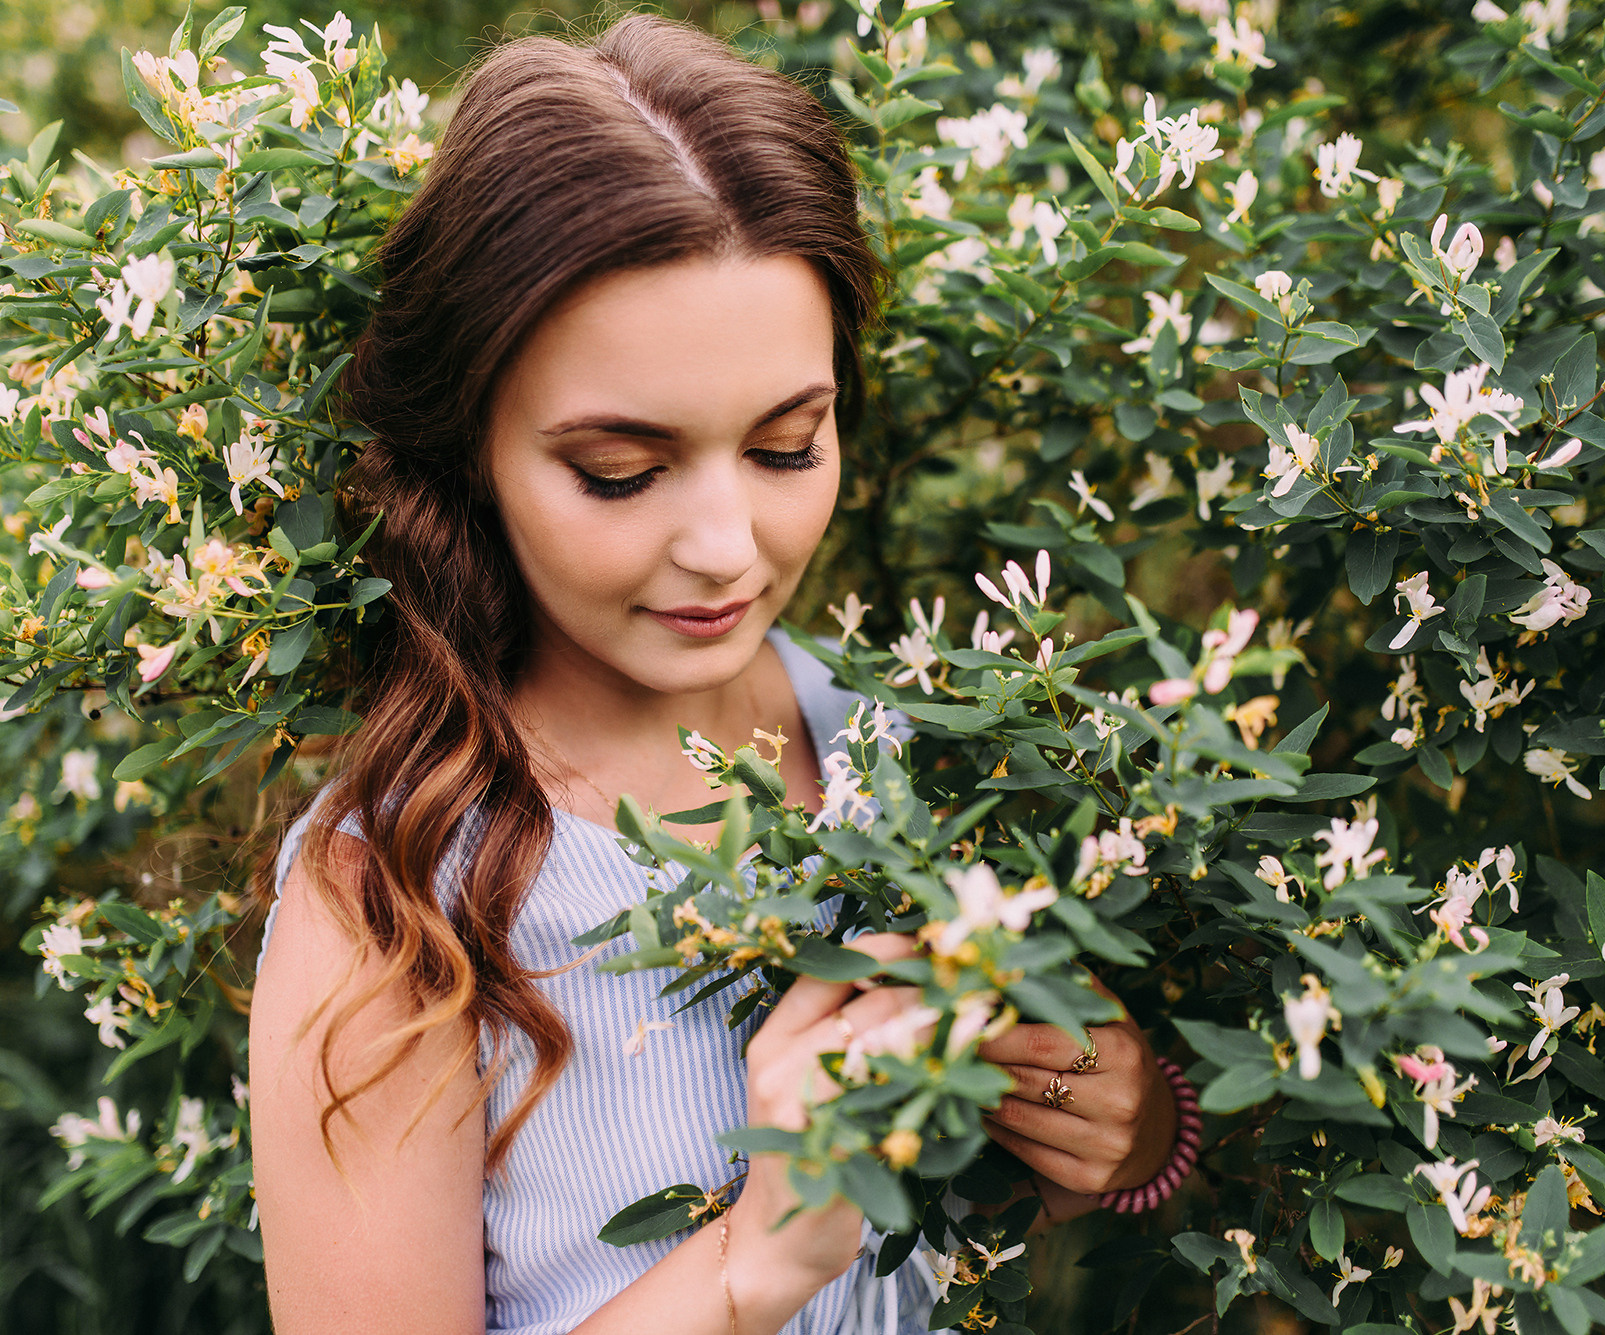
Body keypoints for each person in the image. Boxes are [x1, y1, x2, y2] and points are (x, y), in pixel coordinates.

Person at [247, 15, 1181, 1335]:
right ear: (471, 450)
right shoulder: (395, 903)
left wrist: (1127, 1132)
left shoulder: (910, 748)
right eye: (621, 473)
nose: (727, 548)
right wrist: (750, 1264)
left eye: (787, 447)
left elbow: (1021, 1206)